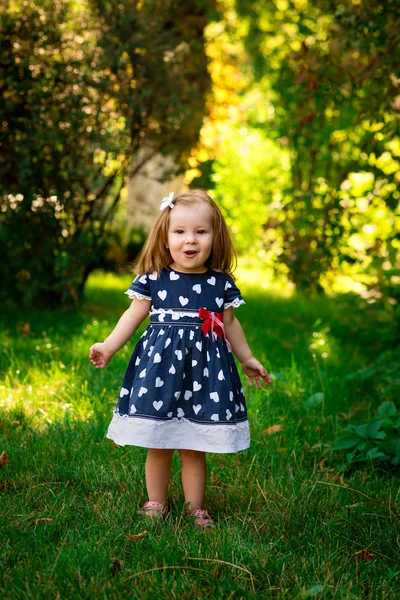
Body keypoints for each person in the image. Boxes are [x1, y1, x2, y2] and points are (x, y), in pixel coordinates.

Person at [89, 189, 271, 528]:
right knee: (159, 442)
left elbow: (230, 323)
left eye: (200, 232)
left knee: (193, 443)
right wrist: (109, 346)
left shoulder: (220, 283)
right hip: (161, 372)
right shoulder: (154, 278)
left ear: (215, 237)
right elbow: (132, 316)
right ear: (165, 236)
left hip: (205, 376)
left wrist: (247, 358)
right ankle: (156, 501)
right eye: (180, 232)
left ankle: (195, 507)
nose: (190, 240)